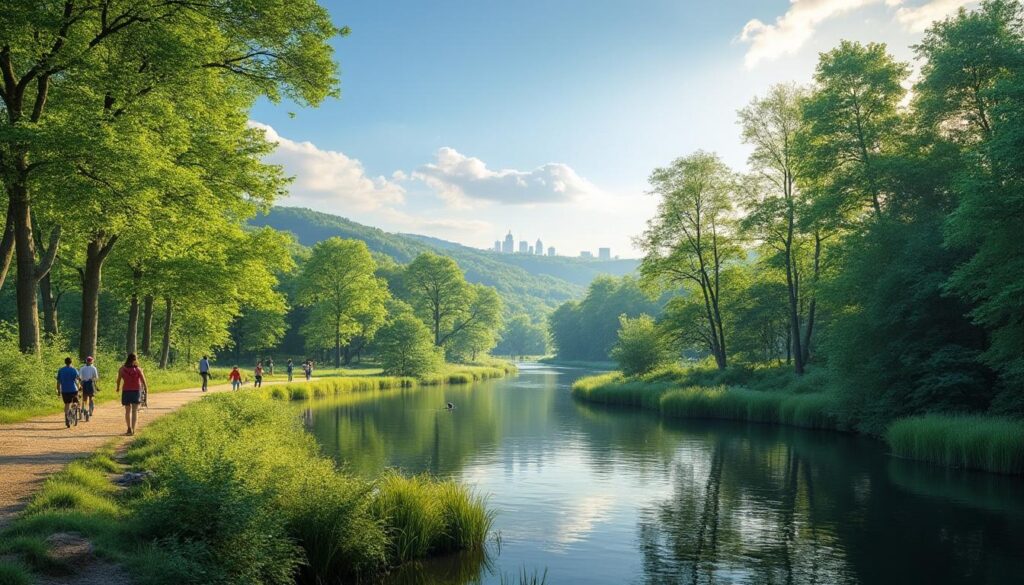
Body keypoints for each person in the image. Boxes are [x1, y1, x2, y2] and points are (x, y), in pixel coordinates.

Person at [116, 353, 148, 436]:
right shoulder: (138, 369)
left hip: (126, 391)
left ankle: (129, 428)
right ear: (134, 360)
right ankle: (133, 429)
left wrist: (118, 388)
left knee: (127, 411)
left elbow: (118, 380)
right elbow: (143, 380)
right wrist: (146, 389)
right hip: (136, 391)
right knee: (134, 411)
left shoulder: (122, 369)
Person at [56, 357, 80, 428]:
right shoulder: (74, 370)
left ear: (65, 362)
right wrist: (79, 387)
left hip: (64, 390)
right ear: (71, 362)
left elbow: (58, 381)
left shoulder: (61, 370)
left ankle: (67, 417)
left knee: (67, 404)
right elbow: (78, 380)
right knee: (75, 402)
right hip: (73, 389)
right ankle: (73, 411)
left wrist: (58, 390)